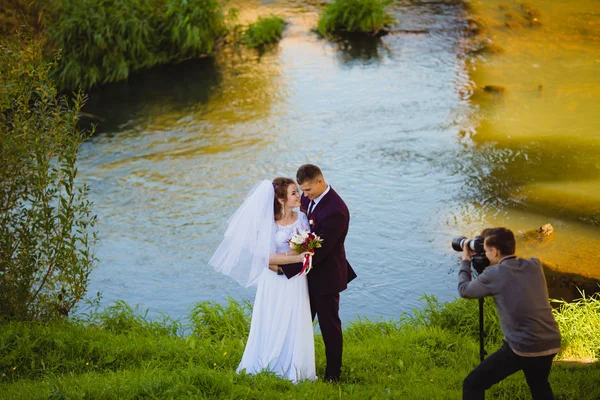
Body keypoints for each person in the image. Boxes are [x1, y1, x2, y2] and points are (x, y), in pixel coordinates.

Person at [209, 178, 317, 383]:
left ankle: (296, 367)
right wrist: (297, 257)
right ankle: (268, 361)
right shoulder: (269, 223)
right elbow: (265, 256)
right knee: (273, 317)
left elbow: (307, 245)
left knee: (294, 318)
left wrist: (302, 254)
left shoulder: (302, 218)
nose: (298, 196)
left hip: (296, 280)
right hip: (274, 281)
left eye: (297, 192)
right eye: (294, 193)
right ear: (281, 199)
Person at [458, 227, 561, 400]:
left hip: (522, 346)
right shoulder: (535, 265)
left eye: (486, 249)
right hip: (551, 340)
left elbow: (464, 290)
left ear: (495, 251)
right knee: (539, 383)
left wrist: (466, 261)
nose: (485, 252)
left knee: (472, 384)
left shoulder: (494, 274)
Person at [280, 164, 357, 383]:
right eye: (302, 191)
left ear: (320, 182)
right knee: (302, 322)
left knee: (329, 326)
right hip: (307, 275)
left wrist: (284, 267)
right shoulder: (310, 199)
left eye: (307, 190)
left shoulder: (336, 210)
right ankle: (296, 366)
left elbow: (320, 251)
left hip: (327, 277)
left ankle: (333, 375)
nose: (304, 195)